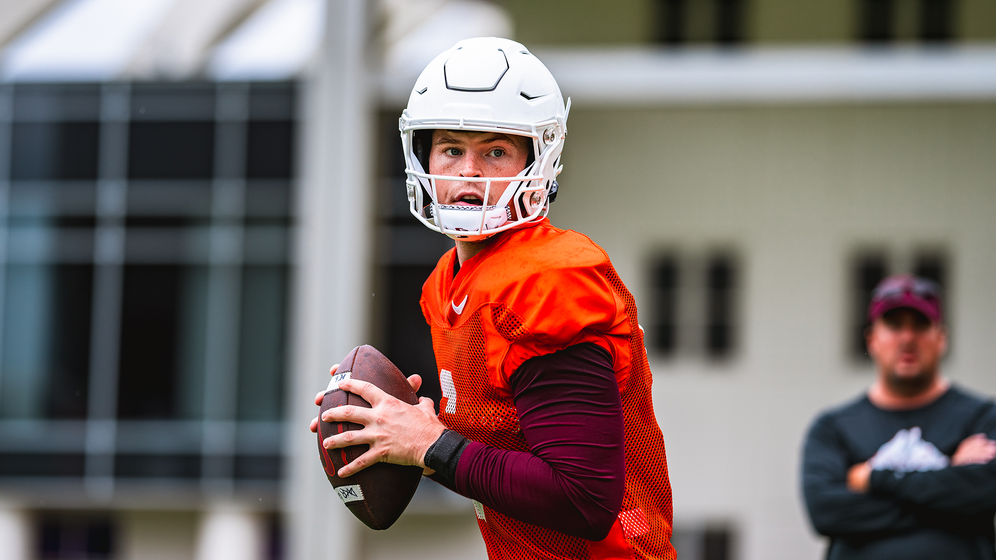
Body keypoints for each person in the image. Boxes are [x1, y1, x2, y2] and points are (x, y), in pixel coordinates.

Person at [308, 37, 676, 559]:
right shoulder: (447, 283)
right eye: (452, 149)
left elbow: (584, 500)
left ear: (538, 159)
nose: (467, 173)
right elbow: (507, 463)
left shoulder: (548, 278)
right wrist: (398, 429)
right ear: (423, 155)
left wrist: (430, 445)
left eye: (495, 151)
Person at [801, 274, 996, 559]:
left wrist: (874, 480)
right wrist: (948, 479)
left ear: (941, 338)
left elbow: (985, 492)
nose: (907, 337)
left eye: (920, 325)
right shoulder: (834, 428)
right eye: (894, 325)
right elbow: (825, 512)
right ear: (872, 340)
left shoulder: (982, 418)